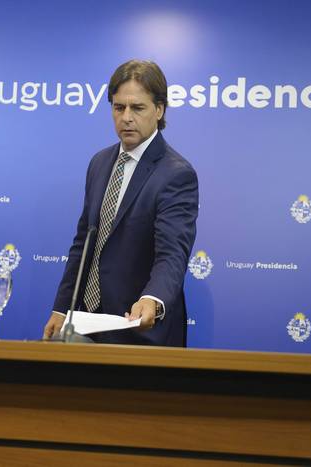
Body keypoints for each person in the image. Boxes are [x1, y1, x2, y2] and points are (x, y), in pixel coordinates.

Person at [43, 59, 199, 347]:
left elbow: (173, 253)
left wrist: (152, 298)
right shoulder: (100, 163)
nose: (126, 117)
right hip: (85, 324)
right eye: (119, 107)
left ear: (159, 110)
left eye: (137, 108)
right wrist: (61, 308)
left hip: (137, 328)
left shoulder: (176, 173)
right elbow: (84, 243)